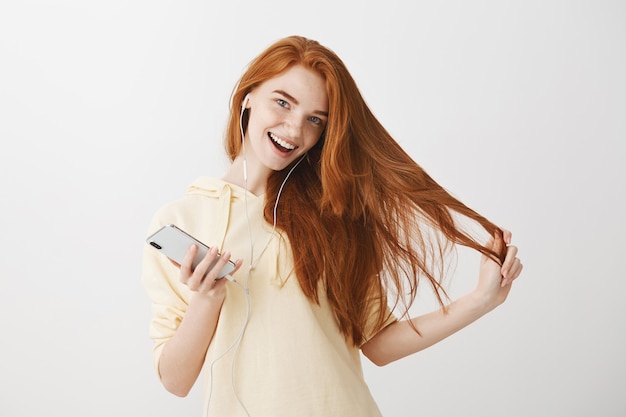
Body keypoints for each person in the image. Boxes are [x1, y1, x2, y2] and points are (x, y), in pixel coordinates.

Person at [141, 35, 523, 417]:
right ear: (248, 96)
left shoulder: (334, 213)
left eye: (314, 119)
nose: (293, 129)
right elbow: (176, 381)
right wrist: (207, 301)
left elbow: (378, 343)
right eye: (282, 102)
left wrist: (480, 300)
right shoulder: (180, 222)